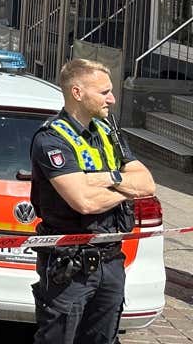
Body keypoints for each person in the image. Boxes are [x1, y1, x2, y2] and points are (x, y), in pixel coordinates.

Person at [30, 58, 155, 344]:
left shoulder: (107, 132)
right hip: (69, 266)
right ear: (77, 93)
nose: (112, 99)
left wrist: (102, 178)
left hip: (110, 260)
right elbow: (84, 202)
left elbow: (147, 183)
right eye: (103, 92)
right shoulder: (52, 139)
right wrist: (125, 185)